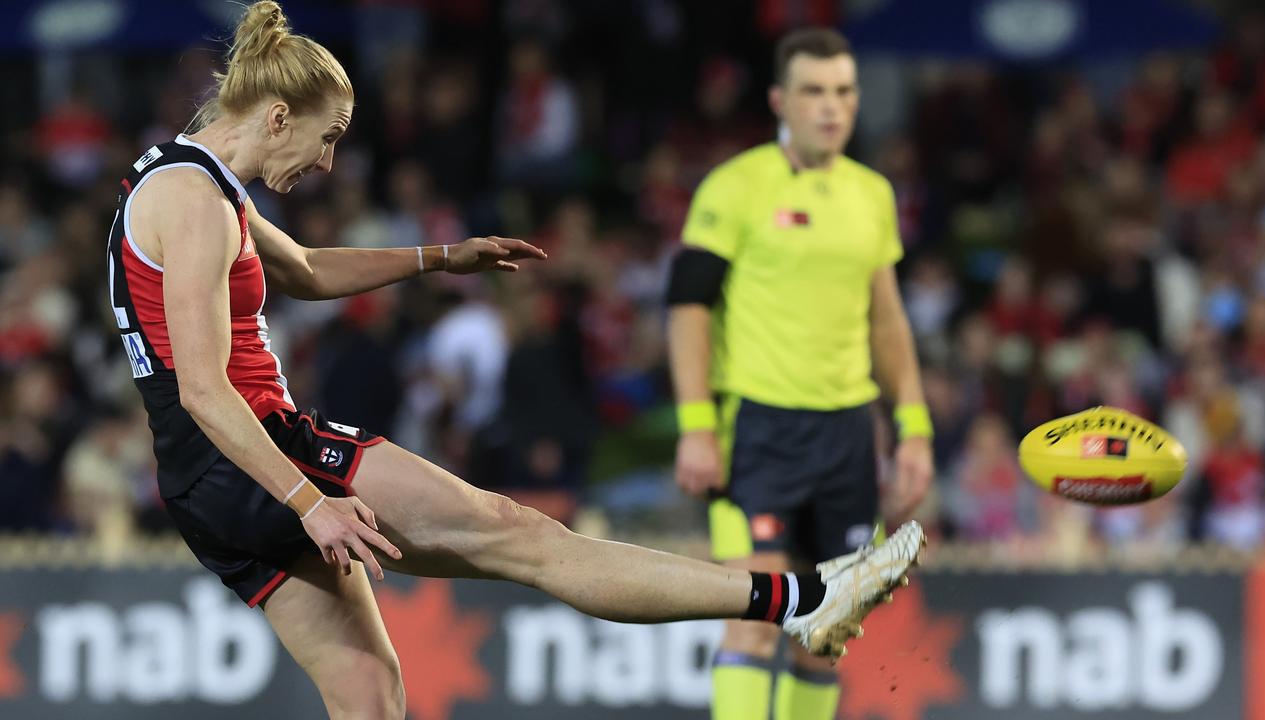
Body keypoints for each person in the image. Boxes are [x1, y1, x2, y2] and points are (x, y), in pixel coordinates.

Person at [105, 5, 923, 717]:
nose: (326, 163)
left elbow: (309, 271)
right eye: (328, 140)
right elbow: (208, 391)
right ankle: (806, 598)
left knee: (368, 694)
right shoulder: (199, 204)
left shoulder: (187, 182)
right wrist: (309, 502)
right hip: (258, 456)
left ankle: (803, 600)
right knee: (520, 536)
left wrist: (441, 257)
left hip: (203, 484)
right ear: (279, 116)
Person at [665, 28, 935, 720]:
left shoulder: (871, 194)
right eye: (814, 91)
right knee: (754, 616)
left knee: (827, 629)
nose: (830, 107)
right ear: (781, 99)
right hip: (758, 425)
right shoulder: (735, 188)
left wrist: (914, 429)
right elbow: (688, 308)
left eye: (844, 91)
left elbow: (887, 321)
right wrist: (696, 426)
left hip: (848, 431)